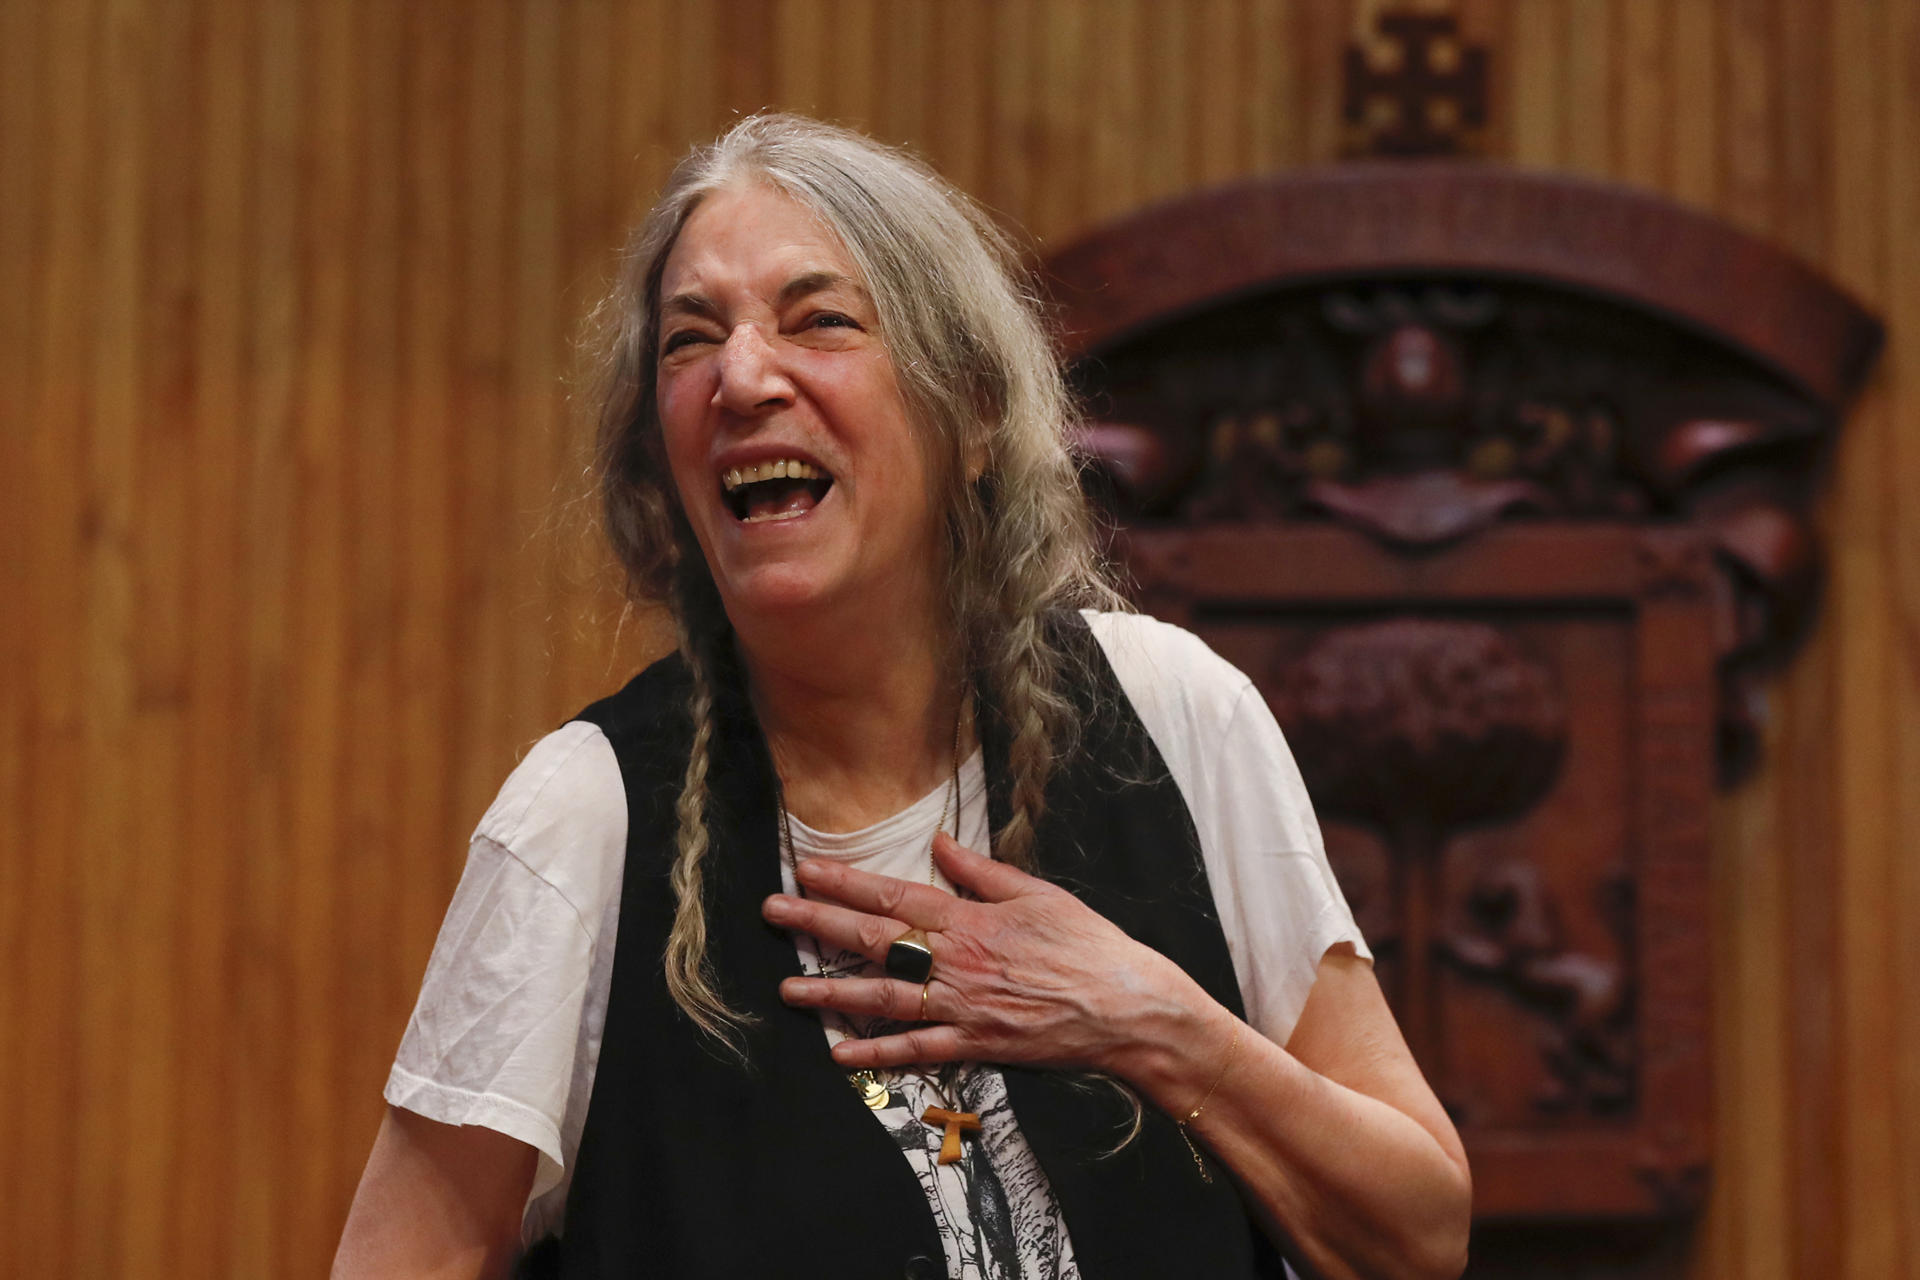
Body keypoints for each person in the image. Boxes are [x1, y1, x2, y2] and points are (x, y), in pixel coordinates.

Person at [333, 113, 1470, 1280]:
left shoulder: (1177, 712)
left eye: (818, 319)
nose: (739, 376)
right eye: (690, 340)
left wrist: (1153, 1020)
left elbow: (1419, 1234)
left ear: (973, 410)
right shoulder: (583, 816)